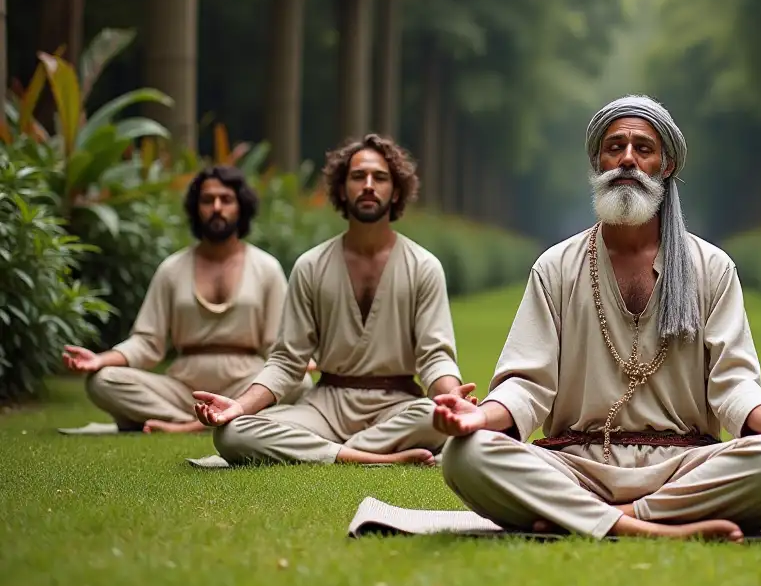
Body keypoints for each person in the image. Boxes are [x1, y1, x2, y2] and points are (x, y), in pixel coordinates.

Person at [433, 95, 761, 543]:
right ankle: (652, 527)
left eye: (643, 148)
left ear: (666, 166)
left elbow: (733, 383)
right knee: (466, 455)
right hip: (576, 465)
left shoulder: (712, 267)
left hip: (685, 469)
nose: (627, 159)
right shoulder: (556, 266)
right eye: (614, 147)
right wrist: (478, 420)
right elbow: (526, 384)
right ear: (597, 162)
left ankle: (601, 519)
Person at [192, 134, 469, 465]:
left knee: (431, 416)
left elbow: (435, 355)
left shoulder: (424, 267)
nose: (368, 185)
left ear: (395, 191)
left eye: (380, 177)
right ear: (341, 189)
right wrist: (239, 406)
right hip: (323, 410)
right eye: (357, 177)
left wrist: (451, 398)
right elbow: (286, 361)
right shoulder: (311, 266)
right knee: (232, 433)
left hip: (397, 406)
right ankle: (371, 457)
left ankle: (333, 452)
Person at [62, 166, 308, 433]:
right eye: (207, 200)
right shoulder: (172, 268)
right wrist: (101, 360)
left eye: (226, 199)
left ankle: (190, 424)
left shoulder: (266, 268)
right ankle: (198, 421)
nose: (216, 207)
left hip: (245, 382)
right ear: (195, 208)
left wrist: (300, 359)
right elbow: (147, 342)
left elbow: (276, 345)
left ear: (241, 207)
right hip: (183, 390)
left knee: (301, 382)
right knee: (101, 381)